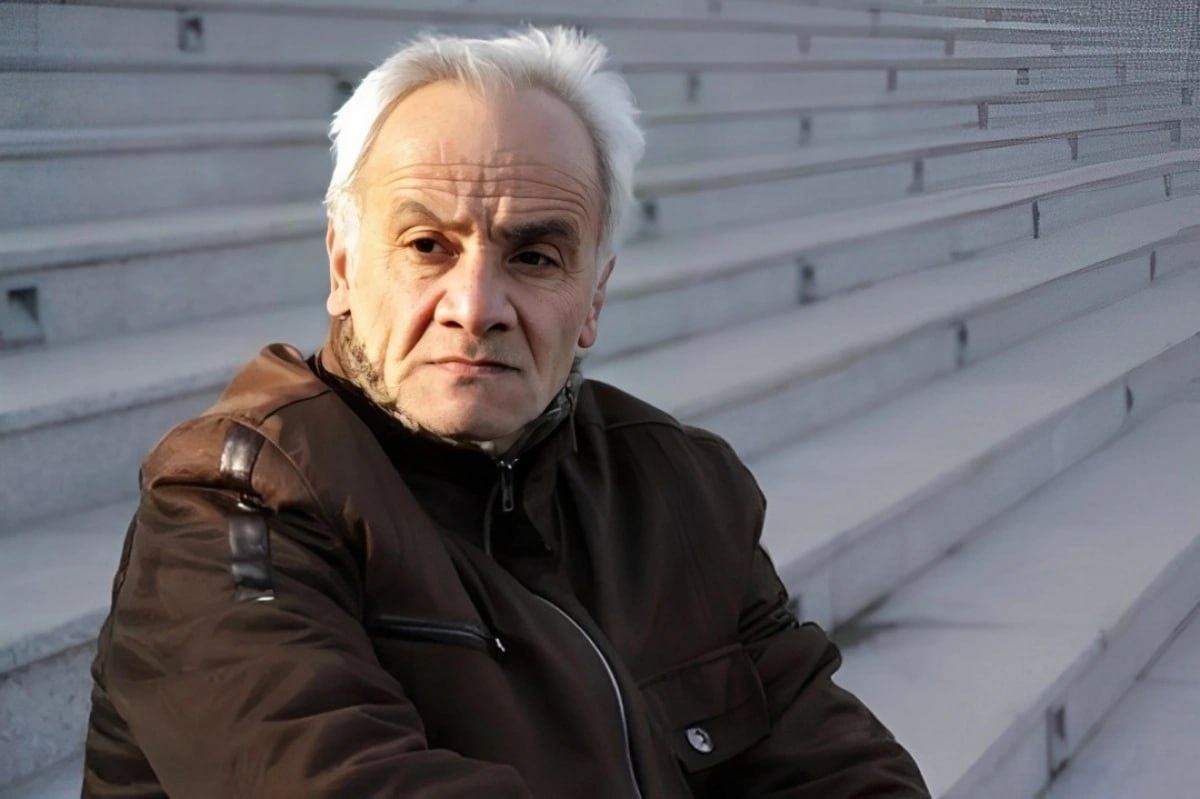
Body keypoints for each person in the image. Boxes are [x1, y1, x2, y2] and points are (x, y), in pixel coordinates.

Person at [83, 27, 929, 798]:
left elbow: (841, 769)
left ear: (593, 297)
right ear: (342, 267)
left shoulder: (679, 486)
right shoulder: (232, 503)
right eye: (427, 246)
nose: (476, 306)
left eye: (535, 256)